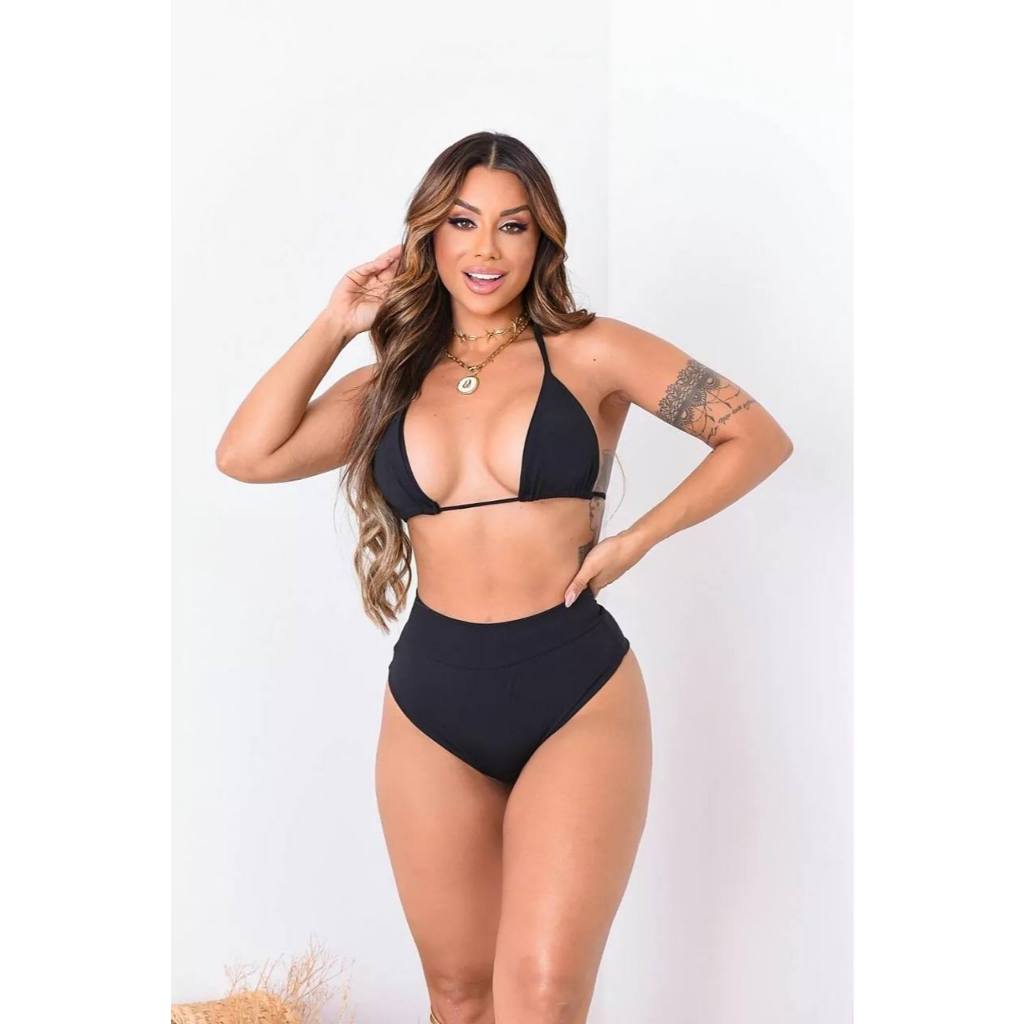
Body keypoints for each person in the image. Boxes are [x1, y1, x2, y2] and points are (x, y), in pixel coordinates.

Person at [215, 131, 793, 1024]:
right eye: (463, 222)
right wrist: (335, 324)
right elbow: (246, 456)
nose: (486, 249)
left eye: (513, 226)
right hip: (432, 702)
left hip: (575, 688)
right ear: (428, 236)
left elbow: (756, 435)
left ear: (541, 239)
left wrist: (637, 539)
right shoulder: (389, 384)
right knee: (458, 996)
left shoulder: (592, 350)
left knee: (545, 997)